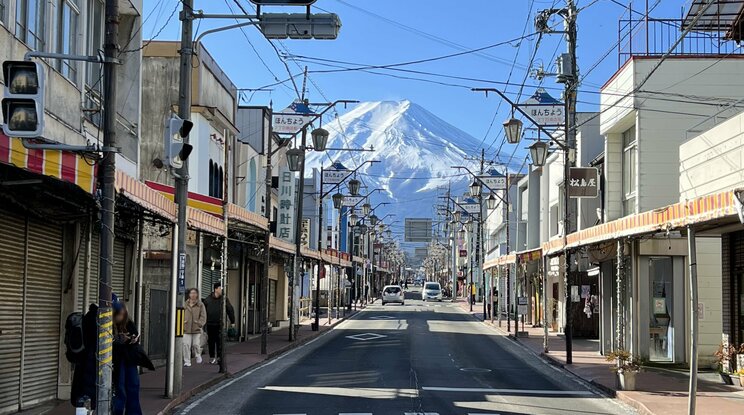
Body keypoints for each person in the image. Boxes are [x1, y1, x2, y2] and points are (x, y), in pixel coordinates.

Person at [112, 294, 154, 415]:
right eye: (119, 313)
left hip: (129, 359)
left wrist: (132, 339)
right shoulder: (106, 324)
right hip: (117, 361)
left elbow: (135, 335)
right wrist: (118, 340)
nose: (121, 316)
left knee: (133, 387)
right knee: (119, 389)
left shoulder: (129, 322)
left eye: (122, 313)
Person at [203, 282, 235, 364]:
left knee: (220, 341)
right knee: (211, 341)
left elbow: (230, 309)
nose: (222, 290)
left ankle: (219, 357)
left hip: (220, 324)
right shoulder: (207, 300)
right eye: (220, 288)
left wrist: (232, 321)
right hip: (210, 324)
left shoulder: (224, 299)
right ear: (216, 289)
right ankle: (212, 357)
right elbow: (203, 313)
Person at [183, 288, 207, 366]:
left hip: (196, 328)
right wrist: (183, 322)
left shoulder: (200, 305)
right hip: (186, 328)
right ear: (189, 295)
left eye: (194, 293)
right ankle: (187, 361)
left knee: (196, 344)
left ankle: (198, 355)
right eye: (191, 293)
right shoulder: (185, 304)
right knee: (186, 345)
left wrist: (199, 323)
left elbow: (203, 316)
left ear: (197, 295)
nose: (193, 295)